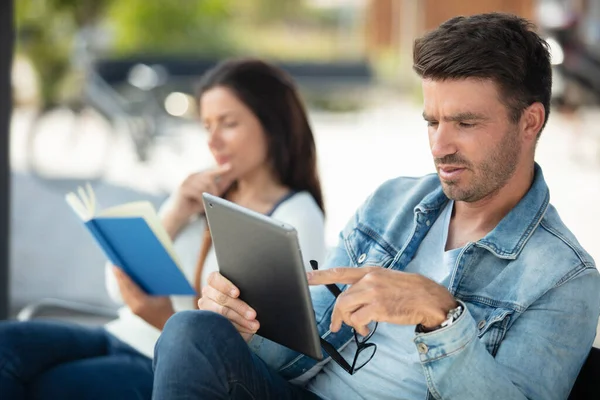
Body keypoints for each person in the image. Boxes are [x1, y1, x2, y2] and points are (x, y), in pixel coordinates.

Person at [152, 13, 600, 400]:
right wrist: (250, 329)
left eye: (465, 123)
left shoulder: (564, 279)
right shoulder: (391, 203)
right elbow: (303, 354)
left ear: (530, 121)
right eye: (432, 122)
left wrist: (442, 319)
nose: (440, 146)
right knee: (194, 331)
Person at [0, 58, 326, 399]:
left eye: (228, 124)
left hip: (171, 364)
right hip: (122, 333)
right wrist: (177, 210)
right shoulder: (205, 193)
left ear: (273, 125)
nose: (213, 141)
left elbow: (278, 353)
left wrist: (165, 318)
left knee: (47, 387)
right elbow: (116, 287)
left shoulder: (295, 216)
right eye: (206, 126)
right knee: (5, 345)